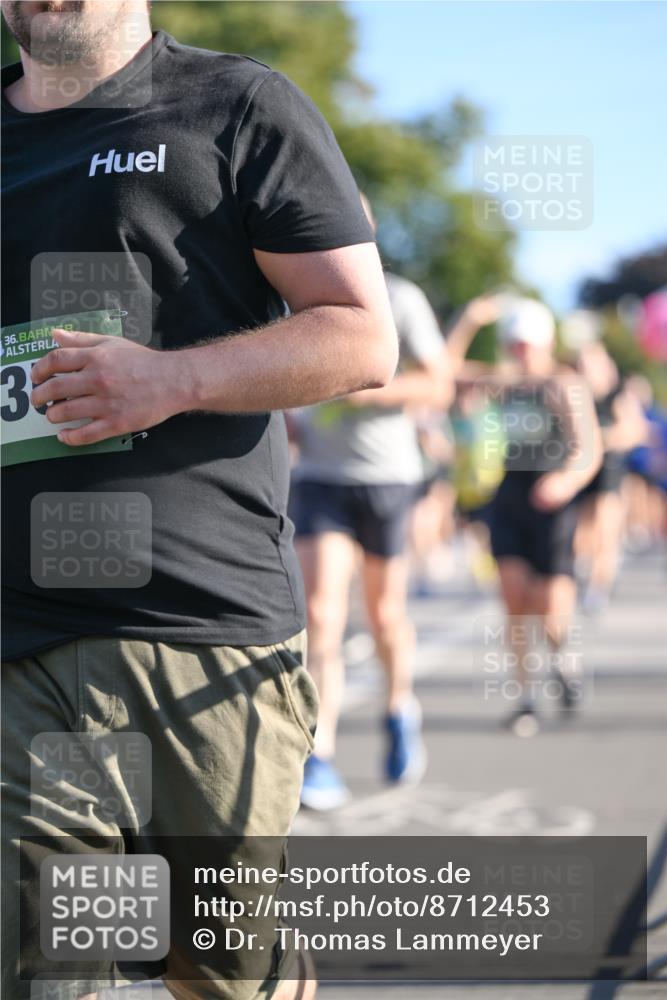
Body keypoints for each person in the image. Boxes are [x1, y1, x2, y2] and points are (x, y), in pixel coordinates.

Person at [1, 3, 398, 999]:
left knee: (220, 974)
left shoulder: (236, 105)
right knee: (51, 971)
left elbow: (361, 336)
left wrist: (169, 379)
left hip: (201, 633)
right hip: (20, 649)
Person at [289, 199, 452, 810]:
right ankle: (321, 752)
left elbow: (438, 384)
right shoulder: (291, 295)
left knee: (384, 616)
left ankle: (399, 707)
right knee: (323, 615)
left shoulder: (399, 298)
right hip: (321, 477)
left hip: (387, 477)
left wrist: (365, 390)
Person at [452, 297, 603, 735]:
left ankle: (564, 661)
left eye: (528, 345)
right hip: (510, 498)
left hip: (552, 504)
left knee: (551, 611)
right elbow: (445, 369)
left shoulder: (564, 384)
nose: (521, 353)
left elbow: (588, 447)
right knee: (514, 600)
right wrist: (469, 320)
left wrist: (566, 482)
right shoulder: (503, 384)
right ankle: (526, 698)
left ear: (545, 343)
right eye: (514, 345)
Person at [574, 342, 648, 614]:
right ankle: (583, 569)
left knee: (606, 526)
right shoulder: (575, 395)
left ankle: (598, 586)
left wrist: (602, 438)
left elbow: (635, 430)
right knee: (581, 528)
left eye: (590, 365)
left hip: (610, 470)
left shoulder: (617, 395)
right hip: (581, 470)